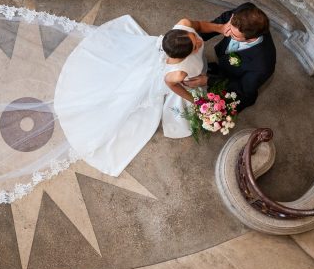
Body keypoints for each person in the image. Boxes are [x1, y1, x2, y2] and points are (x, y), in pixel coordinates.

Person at [53, 17, 205, 177]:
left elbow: (200, 26)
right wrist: (195, 100)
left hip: (161, 65)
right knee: (125, 97)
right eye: (195, 45)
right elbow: (173, 85)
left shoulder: (182, 34)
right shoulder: (177, 74)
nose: (199, 42)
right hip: (161, 77)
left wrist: (219, 28)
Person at [181, 3, 275, 113]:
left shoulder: (262, 65)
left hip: (238, 85)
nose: (227, 31)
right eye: (230, 25)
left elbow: (243, 88)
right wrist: (194, 42)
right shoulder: (244, 11)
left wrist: (208, 80)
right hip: (225, 64)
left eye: (234, 34)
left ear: (251, 39)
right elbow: (222, 21)